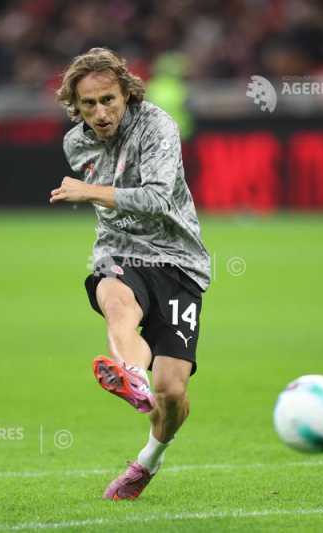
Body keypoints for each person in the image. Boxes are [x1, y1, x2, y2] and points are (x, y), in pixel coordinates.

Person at [50, 47, 210, 500]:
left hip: (178, 259)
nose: (100, 113)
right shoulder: (76, 144)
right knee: (118, 304)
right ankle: (131, 375)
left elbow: (157, 199)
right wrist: (95, 193)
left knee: (172, 393)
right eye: (88, 104)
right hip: (118, 251)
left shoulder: (158, 125)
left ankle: (148, 461)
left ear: (127, 94)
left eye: (108, 100)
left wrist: (90, 191)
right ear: (75, 105)